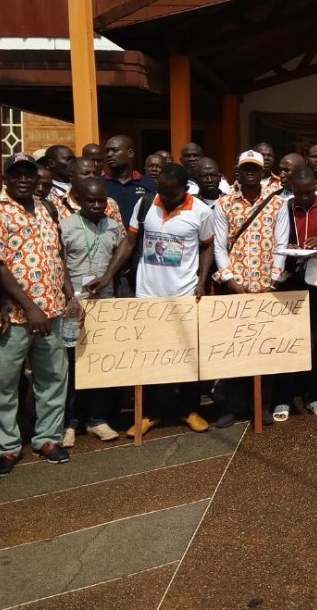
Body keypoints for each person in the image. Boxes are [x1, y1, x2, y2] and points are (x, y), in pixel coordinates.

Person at [87, 163, 214, 437]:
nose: (164, 198)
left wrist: (202, 281)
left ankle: (189, 410)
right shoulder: (146, 204)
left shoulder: (201, 211)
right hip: (148, 295)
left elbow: (207, 247)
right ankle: (149, 413)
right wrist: (108, 275)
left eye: (171, 193)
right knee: (147, 358)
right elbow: (129, 243)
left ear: (185, 189)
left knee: (188, 355)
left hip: (184, 295)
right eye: (162, 191)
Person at [0, 153, 74, 474]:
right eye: (16, 174)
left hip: (52, 311)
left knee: (53, 378)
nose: (23, 179)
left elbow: (57, 255)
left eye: (28, 174)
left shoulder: (46, 208)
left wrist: (68, 295)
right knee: (5, 384)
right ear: (5, 177)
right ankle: (6, 446)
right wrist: (30, 307)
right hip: (16, 317)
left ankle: (47, 438)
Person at [212, 150, 290, 427]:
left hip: (265, 288)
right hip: (236, 288)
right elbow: (219, 245)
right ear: (238, 171)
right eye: (245, 168)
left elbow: (281, 244)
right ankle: (233, 407)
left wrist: (273, 282)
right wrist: (229, 279)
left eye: (254, 169)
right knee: (235, 347)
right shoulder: (224, 203)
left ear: (263, 172)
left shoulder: (278, 203)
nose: (249, 173)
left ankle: (262, 405)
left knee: (265, 348)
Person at [59, 178, 124, 447]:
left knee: (100, 362)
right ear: (78, 200)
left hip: (103, 305)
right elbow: (59, 263)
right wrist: (70, 297)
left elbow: (123, 250)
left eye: (101, 200)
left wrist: (109, 275)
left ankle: (97, 420)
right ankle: (69, 423)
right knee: (72, 365)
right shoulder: (65, 225)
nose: (97, 205)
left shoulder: (113, 226)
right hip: (73, 306)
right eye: (91, 200)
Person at [276, 167, 317, 419]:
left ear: (316, 187)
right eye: (298, 193)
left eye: (308, 192)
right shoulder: (283, 208)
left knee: (316, 339)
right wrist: (287, 247)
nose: (303, 197)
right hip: (288, 280)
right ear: (291, 188)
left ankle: (315, 395)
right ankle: (283, 398)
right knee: (286, 338)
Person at [57, 157, 125, 232]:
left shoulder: (110, 203)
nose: (92, 177)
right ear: (71, 176)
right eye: (86, 173)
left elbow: (120, 234)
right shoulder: (57, 205)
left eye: (95, 174)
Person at [103, 135, 158, 225]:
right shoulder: (99, 184)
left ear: (130, 153)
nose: (109, 154)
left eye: (115, 150)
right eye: (107, 151)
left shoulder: (150, 184)